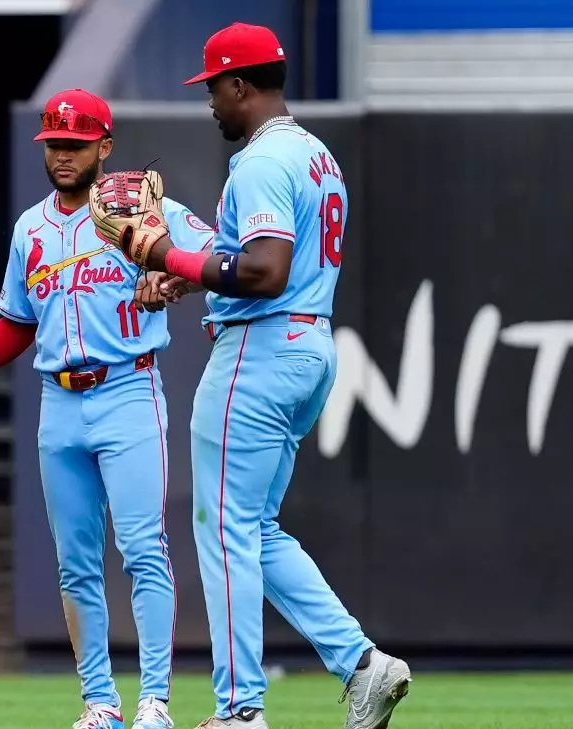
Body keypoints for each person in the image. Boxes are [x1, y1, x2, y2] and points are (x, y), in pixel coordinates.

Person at [0, 88, 215, 729]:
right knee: (76, 563)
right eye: (55, 144)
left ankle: (154, 700)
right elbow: (16, 324)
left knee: (143, 550)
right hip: (60, 404)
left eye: (76, 143)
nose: (64, 155)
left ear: (105, 145)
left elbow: (220, 259)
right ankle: (99, 703)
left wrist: (175, 273)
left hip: (128, 389)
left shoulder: (147, 212)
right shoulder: (30, 228)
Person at [133, 23, 412, 729]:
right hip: (306, 345)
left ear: (239, 85)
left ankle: (238, 710)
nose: (210, 106)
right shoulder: (315, 153)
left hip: (258, 353)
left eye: (213, 91)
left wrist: (171, 252)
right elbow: (255, 267)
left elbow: (264, 270)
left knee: (223, 528)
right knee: (254, 528)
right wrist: (190, 276)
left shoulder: (260, 162)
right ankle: (362, 664)